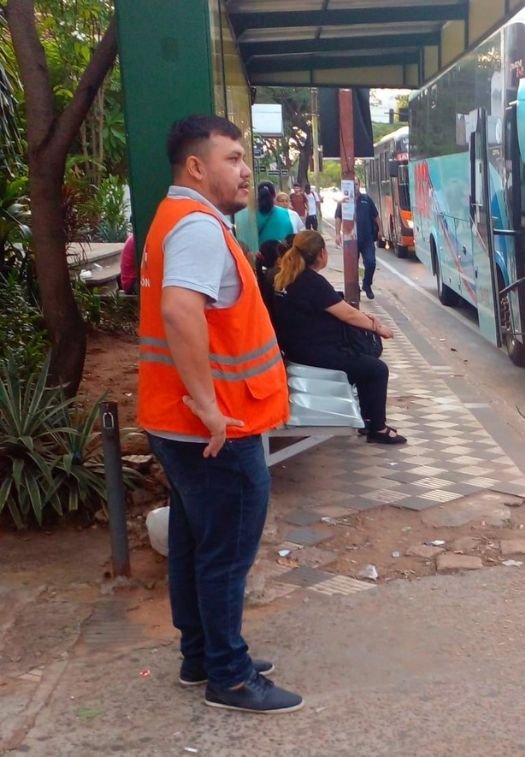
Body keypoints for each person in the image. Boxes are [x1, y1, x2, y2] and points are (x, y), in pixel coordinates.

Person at [137, 114, 303, 713]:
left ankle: (201, 656)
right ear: (197, 167)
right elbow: (182, 312)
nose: (245, 169)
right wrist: (209, 408)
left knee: (193, 542)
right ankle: (229, 678)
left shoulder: (174, 217)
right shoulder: (199, 228)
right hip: (215, 429)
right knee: (225, 552)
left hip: (176, 422)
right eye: (232, 158)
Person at [271, 229, 407, 444]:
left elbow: (338, 308)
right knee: (376, 369)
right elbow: (348, 314)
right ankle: (378, 429)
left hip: (296, 350)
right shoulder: (312, 282)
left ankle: (368, 419)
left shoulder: (286, 278)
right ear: (321, 254)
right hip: (316, 354)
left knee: (365, 366)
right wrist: (378, 327)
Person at [334, 183, 380, 299]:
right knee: (351, 267)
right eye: (352, 184)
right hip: (350, 239)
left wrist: (381, 231)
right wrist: (337, 234)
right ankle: (355, 289)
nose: (354, 187)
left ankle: (367, 284)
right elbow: (338, 217)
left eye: (356, 184)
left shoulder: (366, 199)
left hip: (367, 238)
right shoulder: (344, 201)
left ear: (359, 185)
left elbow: (376, 216)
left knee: (371, 263)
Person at [234, 181, 295, 251]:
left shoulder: (247, 215)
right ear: (274, 196)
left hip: (259, 258)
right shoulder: (289, 214)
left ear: (257, 196)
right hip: (284, 257)